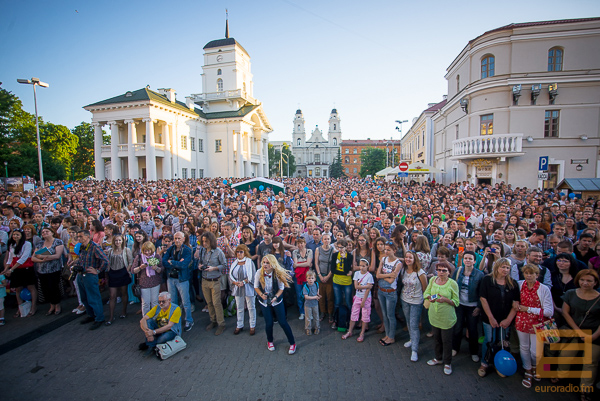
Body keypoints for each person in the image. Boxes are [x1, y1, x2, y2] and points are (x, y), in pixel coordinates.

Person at [556, 269, 600, 401]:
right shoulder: (570, 293)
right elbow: (565, 313)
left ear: (595, 282)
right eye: (582, 280)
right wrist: (578, 332)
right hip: (574, 332)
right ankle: (560, 375)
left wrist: (594, 336)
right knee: (565, 355)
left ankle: (585, 388)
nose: (585, 283)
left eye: (589, 281)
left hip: (594, 334)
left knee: (590, 361)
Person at [478, 258, 520, 377]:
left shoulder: (513, 283)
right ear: (497, 268)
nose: (505, 270)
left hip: (505, 318)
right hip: (489, 317)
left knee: (502, 341)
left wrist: (509, 319)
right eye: (503, 267)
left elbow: (516, 303)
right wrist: (490, 317)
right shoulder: (487, 280)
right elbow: (483, 299)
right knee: (489, 340)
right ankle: (484, 363)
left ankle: (499, 364)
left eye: (507, 268)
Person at [515, 263, 554, 388]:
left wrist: (529, 309)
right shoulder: (519, 285)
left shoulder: (543, 289)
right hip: (522, 321)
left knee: (535, 352)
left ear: (537, 275)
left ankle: (536, 366)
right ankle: (528, 370)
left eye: (531, 273)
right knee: (524, 347)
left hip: (538, 324)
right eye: (526, 273)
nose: (528, 276)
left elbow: (549, 311)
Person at [254, 254, 296, 354]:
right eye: (264, 262)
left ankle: (292, 343)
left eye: (267, 263)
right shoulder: (259, 272)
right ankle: (270, 341)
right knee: (269, 323)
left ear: (272, 264)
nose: (265, 265)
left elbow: (281, 288)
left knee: (283, 322)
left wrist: (275, 297)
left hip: (277, 300)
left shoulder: (277, 273)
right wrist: (261, 294)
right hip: (264, 302)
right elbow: (256, 286)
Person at [424, 261, 459, 375]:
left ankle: (447, 362)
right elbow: (426, 293)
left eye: (444, 270)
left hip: (447, 318)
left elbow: (456, 302)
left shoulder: (452, 283)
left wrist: (446, 300)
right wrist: (430, 298)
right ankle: (438, 358)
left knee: (446, 341)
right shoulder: (432, 280)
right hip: (434, 316)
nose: (441, 272)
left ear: (449, 272)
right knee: (437, 339)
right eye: (439, 270)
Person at [451, 250, 484, 362]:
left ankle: (474, 352)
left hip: (472, 306)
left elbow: (481, 293)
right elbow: (452, 285)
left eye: (470, 259)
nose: (468, 260)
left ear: (474, 261)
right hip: (459, 304)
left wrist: (479, 307)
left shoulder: (479, 274)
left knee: (473, 329)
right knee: (457, 327)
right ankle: (455, 347)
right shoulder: (458, 270)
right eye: (466, 258)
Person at [73, 230, 110, 330]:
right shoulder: (82, 247)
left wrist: (97, 270)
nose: (78, 238)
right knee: (84, 297)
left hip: (90, 275)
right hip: (81, 274)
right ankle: (91, 315)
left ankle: (99, 318)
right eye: (78, 236)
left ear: (87, 236)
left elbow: (105, 260)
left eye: (80, 236)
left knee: (93, 298)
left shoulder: (95, 247)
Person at [162, 231, 194, 332]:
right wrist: (176, 263)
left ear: (183, 239)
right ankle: (176, 320)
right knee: (173, 302)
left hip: (182, 279)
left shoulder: (187, 250)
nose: (177, 240)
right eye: (175, 238)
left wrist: (171, 262)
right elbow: (164, 262)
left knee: (185, 302)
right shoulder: (171, 249)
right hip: (171, 278)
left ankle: (189, 320)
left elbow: (184, 265)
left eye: (179, 238)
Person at [1, 229, 37, 317]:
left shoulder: (27, 244)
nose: (15, 236)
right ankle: (20, 308)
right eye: (14, 235)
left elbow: (23, 258)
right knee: (18, 288)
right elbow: (10, 258)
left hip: (26, 268)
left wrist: (11, 269)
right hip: (16, 269)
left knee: (31, 286)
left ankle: (33, 307)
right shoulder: (12, 245)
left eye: (17, 235)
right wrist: (6, 269)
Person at [400, 250, 428, 361]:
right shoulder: (404, 270)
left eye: (410, 258)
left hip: (416, 301)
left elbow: (425, 288)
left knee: (414, 324)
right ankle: (412, 339)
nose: (407, 259)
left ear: (414, 259)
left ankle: (415, 350)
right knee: (408, 321)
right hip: (404, 299)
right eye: (406, 257)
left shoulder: (420, 273)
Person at [198, 231, 227, 335]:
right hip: (204, 279)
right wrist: (200, 266)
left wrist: (214, 268)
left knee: (216, 303)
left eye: (206, 241)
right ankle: (213, 320)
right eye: (203, 241)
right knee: (209, 302)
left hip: (215, 280)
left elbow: (224, 265)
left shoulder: (218, 252)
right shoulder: (202, 251)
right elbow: (200, 261)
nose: (204, 243)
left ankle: (221, 324)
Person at [31, 227, 64, 316]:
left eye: (47, 231)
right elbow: (33, 257)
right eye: (43, 232)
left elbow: (57, 255)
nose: (45, 233)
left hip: (54, 269)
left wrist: (43, 256)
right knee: (46, 289)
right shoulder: (40, 243)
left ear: (52, 232)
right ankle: (51, 305)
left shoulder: (58, 242)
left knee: (54, 288)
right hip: (42, 270)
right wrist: (42, 260)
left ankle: (57, 305)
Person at [138, 291, 182, 356]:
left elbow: (169, 326)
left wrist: (153, 332)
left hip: (171, 331)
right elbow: (142, 320)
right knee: (148, 321)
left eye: (163, 301)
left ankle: (150, 344)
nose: (161, 303)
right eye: (159, 301)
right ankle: (152, 344)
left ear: (169, 300)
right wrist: (147, 333)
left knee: (161, 340)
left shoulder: (176, 309)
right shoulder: (157, 307)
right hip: (159, 329)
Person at [376, 240, 402, 346]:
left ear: (394, 250)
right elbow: (377, 275)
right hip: (381, 290)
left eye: (389, 250)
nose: (386, 252)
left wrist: (383, 275)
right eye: (385, 249)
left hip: (390, 292)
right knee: (385, 314)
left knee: (390, 315)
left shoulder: (398, 263)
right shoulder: (383, 259)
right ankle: (387, 334)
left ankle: (391, 337)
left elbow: (392, 280)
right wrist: (389, 275)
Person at [342, 258, 373, 342]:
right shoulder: (356, 273)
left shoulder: (369, 276)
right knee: (354, 314)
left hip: (366, 298)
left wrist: (364, 301)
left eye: (364, 266)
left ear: (367, 266)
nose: (362, 267)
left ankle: (362, 333)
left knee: (365, 316)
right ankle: (350, 331)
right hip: (357, 296)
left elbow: (368, 291)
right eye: (360, 265)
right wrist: (366, 286)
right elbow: (356, 287)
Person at [229, 244, 256, 335]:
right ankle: (239, 325)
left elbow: (252, 275)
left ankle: (252, 325)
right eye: (238, 252)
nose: (239, 254)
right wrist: (235, 283)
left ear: (245, 253)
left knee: (251, 307)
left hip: (248, 287)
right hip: (238, 287)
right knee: (239, 307)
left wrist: (244, 282)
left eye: (241, 252)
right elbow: (231, 276)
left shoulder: (249, 262)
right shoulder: (234, 263)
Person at [104, 234, 132, 324]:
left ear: (122, 241)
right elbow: (107, 262)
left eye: (119, 240)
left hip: (123, 272)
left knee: (124, 292)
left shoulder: (126, 250)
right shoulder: (110, 251)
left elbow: (130, 261)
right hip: (113, 273)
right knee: (112, 295)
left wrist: (127, 270)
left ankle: (124, 311)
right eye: (116, 240)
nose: (118, 242)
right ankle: (111, 316)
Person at [132, 241, 163, 315]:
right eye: (145, 251)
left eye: (149, 250)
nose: (147, 252)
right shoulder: (139, 257)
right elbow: (133, 270)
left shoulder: (157, 256)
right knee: (145, 303)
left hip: (155, 282)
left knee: (155, 302)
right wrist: (140, 267)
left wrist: (156, 268)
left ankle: (155, 318)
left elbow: (162, 269)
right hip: (143, 283)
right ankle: (146, 320)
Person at [330, 238, 354, 329]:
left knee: (348, 302)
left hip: (347, 282)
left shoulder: (349, 256)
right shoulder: (335, 255)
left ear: (346, 247)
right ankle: (336, 320)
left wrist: (344, 259)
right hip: (336, 281)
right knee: (337, 301)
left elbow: (348, 269)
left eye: (342, 247)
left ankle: (349, 320)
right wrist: (344, 273)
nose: (340, 249)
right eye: (338, 247)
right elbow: (333, 270)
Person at [315, 233, 334, 324]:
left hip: (329, 276)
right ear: (322, 240)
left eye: (328, 239)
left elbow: (334, 266)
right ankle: (322, 312)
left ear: (330, 240)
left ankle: (330, 313)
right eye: (325, 239)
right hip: (320, 275)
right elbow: (316, 263)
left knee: (330, 296)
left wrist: (328, 276)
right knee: (321, 296)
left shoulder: (333, 250)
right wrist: (319, 275)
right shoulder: (318, 249)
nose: (326, 241)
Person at [302, 270, 321, 335]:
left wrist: (318, 294)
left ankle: (317, 328)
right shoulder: (305, 287)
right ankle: (308, 329)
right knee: (308, 318)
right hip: (308, 305)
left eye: (312, 278)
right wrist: (315, 297)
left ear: (315, 279)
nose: (311, 280)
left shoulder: (316, 284)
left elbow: (318, 289)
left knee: (316, 316)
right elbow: (306, 297)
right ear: (306, 279)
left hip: (315, 304)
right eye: (309, 278)